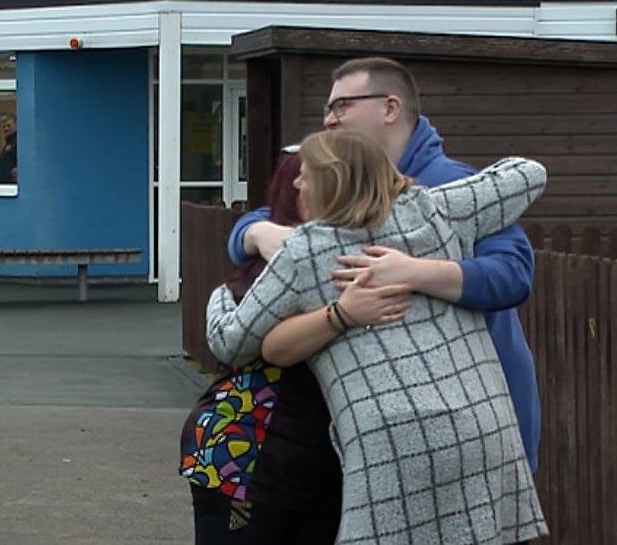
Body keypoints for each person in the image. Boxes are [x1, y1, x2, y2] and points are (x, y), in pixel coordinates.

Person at [208, 129, 548, 544]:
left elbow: (231, 342)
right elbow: (529, 173)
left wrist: (222, 296)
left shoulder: (305, 251)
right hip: (483, 422)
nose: (298, 181)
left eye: (308, 174)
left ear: (335, 180)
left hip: (391, 436)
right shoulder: (434, 209)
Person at [228, 57, 541, 475]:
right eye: (327, 109)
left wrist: (413, 272)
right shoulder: (346, 183)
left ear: (390, 108)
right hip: (389, 436)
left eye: (341, 106)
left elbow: (513, 275)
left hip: (478, 415)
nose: (330, 121)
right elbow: (281, 210)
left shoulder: (452, 184)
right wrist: (254, 232)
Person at [180, 150, 412, 544]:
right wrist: (342, 314)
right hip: (247, 457)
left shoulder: (370, 258)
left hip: (320, 463)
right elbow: (240, 342)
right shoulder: (279, 267)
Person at [0, 115, 17, 183]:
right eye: (4, 127)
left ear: (16, 125)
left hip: (11, 185)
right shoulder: (8, 143)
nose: (6, 129)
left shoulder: (19, 142)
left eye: (9, 125)